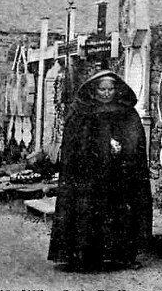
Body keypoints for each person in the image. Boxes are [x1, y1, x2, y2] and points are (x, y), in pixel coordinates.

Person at [48, 70, 151, 271]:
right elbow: (74, 145)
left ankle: (122, 257)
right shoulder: (82, 112)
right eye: (102, 89)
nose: (106, 93)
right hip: (89, 177)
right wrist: (104, 144)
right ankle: (84, 257)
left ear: (117, 89)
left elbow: (136, 141)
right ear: (94, 90)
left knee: (120, 213)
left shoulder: (126, 112)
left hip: (118, 176)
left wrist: (123, 147)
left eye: (110, 89)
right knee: (88, 214)